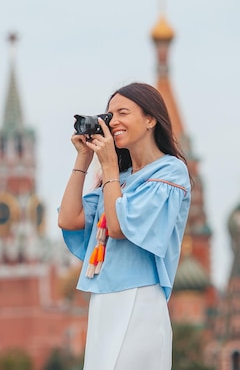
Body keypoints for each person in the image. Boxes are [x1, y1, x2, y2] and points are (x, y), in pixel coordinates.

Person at [57, 82, 191, 370]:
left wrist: (108, 169)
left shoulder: (170, 171)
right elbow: (68, 219)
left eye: (122, 113)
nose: (113, 122)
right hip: (104, 298)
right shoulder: (121, 178)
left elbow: (118, 228)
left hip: (139, 296)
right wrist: (84, 158)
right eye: (109, 115)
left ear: (150, 119)